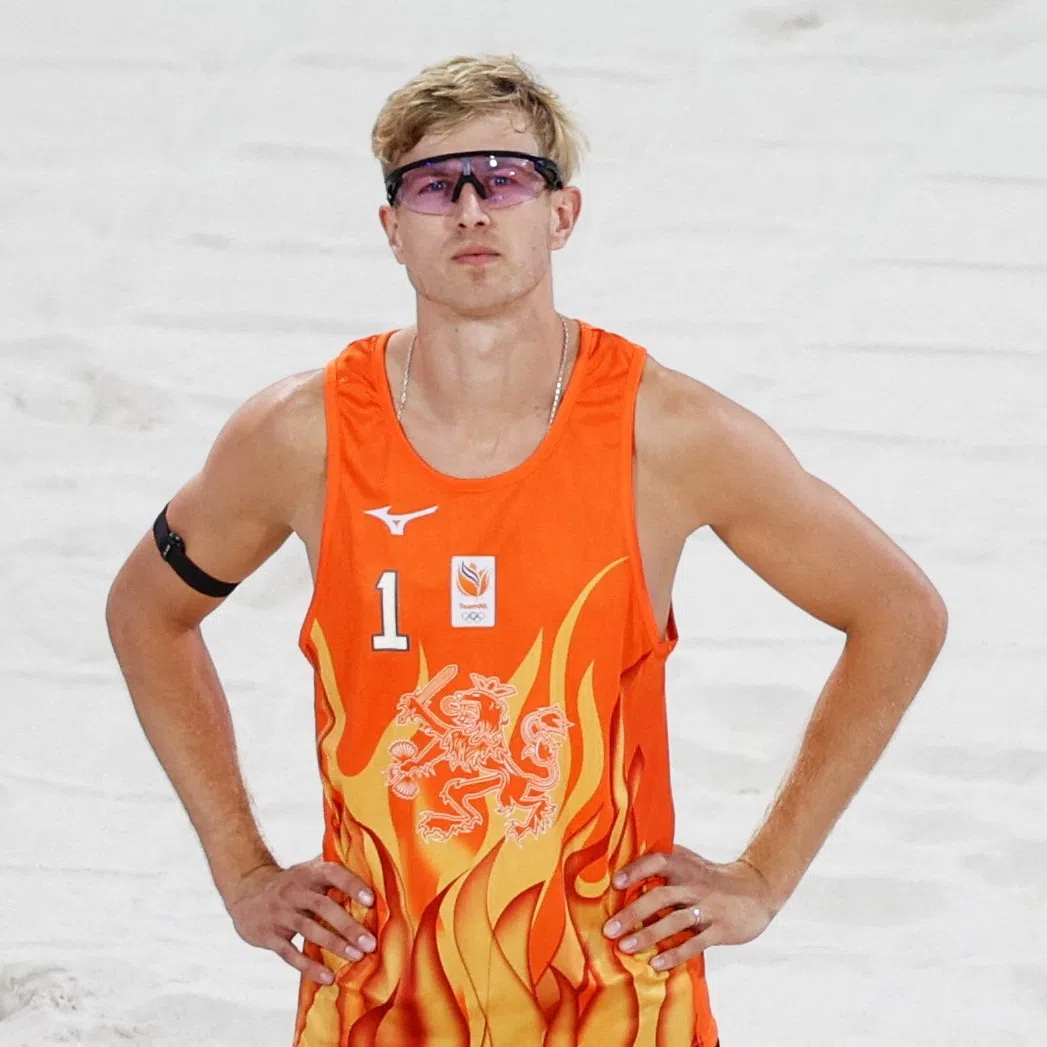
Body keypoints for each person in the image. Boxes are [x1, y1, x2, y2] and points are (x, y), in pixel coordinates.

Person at [106, 54, 948, 1047]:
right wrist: (241, 868)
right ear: (391, 228)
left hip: (620, 1007)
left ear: (561, 215)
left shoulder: (665, 434)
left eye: (504, 177)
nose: (469, 210)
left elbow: (899, 613)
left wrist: (764, 875)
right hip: (381, 1004)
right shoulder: (306, 435)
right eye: (432, 186)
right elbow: (147, 613)